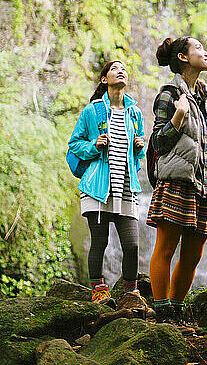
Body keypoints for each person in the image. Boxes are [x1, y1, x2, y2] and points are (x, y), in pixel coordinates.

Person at [146, 36, 207, 325]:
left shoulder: (206, 98)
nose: (206, 52)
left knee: (193, 255)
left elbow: (205, 144)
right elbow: (157, 142)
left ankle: (177, 309)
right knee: (166, 247)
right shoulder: (170, 95)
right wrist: (178, 117)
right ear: (183, 58)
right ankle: (162, 310)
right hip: (179, 181)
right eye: (198, 49)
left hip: (206, 184)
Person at [68, 60, 148, 311]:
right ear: (104, 79)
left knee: (132, 245)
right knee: (99, 242)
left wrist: (139, 148)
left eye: (124, 68)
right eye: (114, 68)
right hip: (97, 187)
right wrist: (94, 146)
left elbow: (138, 155)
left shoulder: (134, 113)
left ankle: (131, 292)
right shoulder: (92, 111)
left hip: (125, 185)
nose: (121, 70)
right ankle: (98, 290)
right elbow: (74, 145)